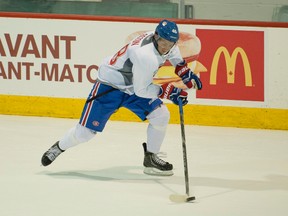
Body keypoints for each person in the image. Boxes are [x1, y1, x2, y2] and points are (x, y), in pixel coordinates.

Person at [41, 19, 202, 176]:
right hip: (110, 86)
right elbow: (142, 91)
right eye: (162, 42)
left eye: (169, 43)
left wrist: (186, 74)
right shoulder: (145, 55)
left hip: (133, 85)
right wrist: (169, 92)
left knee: (160, 115)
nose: (165, 47)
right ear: (156, 36)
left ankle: (151, 158)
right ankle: (59, 147)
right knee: (84, 133)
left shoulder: (166, 41)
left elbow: (176, 60)